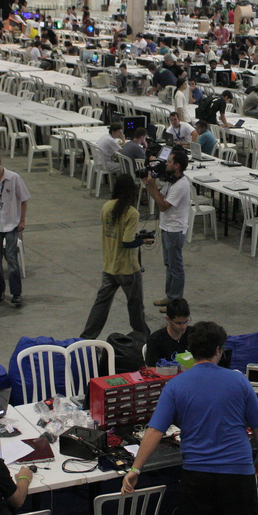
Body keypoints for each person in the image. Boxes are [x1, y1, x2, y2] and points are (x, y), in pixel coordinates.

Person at [122, 321, 258, 515]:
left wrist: (135, 469)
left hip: (197, 477)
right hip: (238, 475)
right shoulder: (240, 381)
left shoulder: (175, 386)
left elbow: (155, 431)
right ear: (218, 349)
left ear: (190, 350)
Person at [80, 175, 154, 340]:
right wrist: (143, 240)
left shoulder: (106, 207)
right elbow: (127, 242)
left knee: (102, 304)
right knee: (135, 306)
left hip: (109, 265)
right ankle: (143, 337)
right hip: (127, 268)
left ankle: (86, 338)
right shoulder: (131, 213)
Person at [0, 153, 30, 308]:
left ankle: (16, 293)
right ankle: (0, 290)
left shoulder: (14, 178)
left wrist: (22, 220)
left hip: (11, 224)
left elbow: (23, 200)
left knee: (11, 259)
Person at [144, 146, 190, 311]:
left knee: (176, 267)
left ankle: (176, 303)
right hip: (167, 227)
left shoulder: (181, 185)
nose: (166, 164)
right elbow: (161, 197)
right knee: (169, 264)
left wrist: (152, 184)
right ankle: (170, 296)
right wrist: (149, 184)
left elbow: (163, 206)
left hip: (175, 230)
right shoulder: (172, 181)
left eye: (169, 162)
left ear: (177, 165)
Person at [144, 298, 191, 365]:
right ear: (168, 319)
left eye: (186, 322)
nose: (183, 327)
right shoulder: (156, 340)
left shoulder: (193, 334)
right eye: (179, 323)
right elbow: (150, 368)